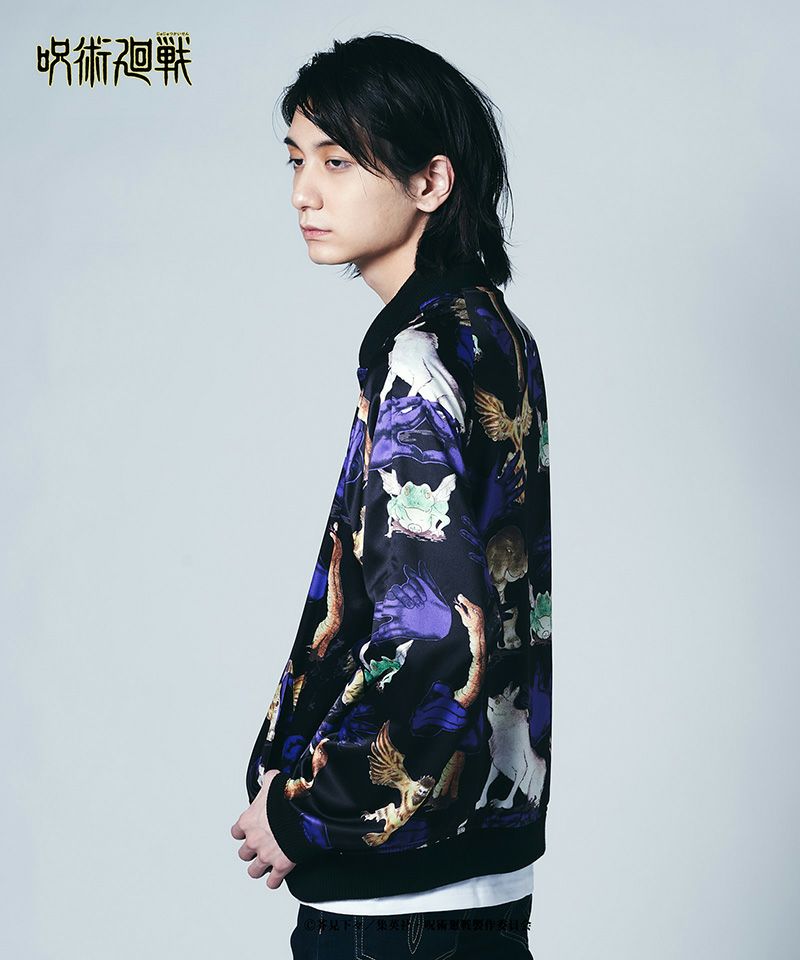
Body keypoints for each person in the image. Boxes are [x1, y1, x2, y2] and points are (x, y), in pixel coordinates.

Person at [230, 33, 552, 959]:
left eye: (337, 161)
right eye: (296, 161)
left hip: (393, 888)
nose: (304, 192)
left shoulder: (421, 356)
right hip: (485, 851)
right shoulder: (493, 331)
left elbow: (436, 628)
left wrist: (308, 808)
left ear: (430, 182)